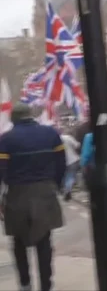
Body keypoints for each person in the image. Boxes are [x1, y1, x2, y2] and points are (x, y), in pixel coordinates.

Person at [0, 104, 66, 291]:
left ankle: (25, 284)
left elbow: (1, 171)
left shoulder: (6, 139)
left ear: (14, 118)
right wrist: (56, 185)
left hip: (17, 194)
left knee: (19, 242)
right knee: (44, 242)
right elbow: (61, 163)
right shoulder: (51, 134)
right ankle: (46, 285)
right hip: (45, 191)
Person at [60, 130, 81, 201]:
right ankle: (68, 191)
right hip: (72, 160)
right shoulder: (67, 137)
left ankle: (66, 190)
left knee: (66, 176)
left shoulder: (54, 140)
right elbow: (77, 145)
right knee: (71, 176)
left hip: (62, 162)